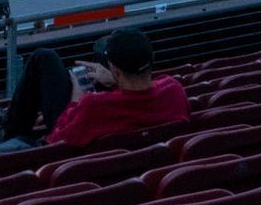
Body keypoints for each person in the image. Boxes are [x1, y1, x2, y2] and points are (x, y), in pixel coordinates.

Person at [45, 29, 187, 148]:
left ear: (114, 69)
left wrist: (75, 101)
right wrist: (115, 81)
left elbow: (55, 143)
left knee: (45, 57)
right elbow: (142, 101)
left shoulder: (93, 106)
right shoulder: (174, 90)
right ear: (153, 57)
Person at [0, 49, 71, 152]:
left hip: (72, 126)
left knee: (44, 57)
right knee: (47, 60)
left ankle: (9, 131)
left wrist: (77, 98)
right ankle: (11, 128)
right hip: (88, 110)